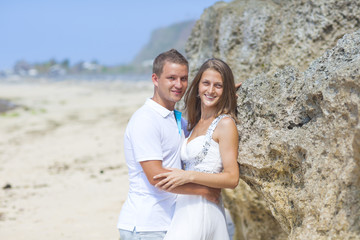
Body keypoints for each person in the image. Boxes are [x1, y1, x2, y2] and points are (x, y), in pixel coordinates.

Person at [117, 49, 221, 240]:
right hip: (145, 226)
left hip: (170, 223)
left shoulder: (177, 119)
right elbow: (156, 178)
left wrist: (226, 96)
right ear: (155, 79)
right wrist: (204, 192)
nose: (178, 85)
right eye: (171, 78)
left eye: (183, 78)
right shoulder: (146, 120)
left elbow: (203, 135)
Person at [153, 58, 240, 240]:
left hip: (204, 209)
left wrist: (188, 176)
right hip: (184, 208)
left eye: (218, 86)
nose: (210, 90)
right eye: (206, 83)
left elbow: (232, 178)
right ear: (198, 86)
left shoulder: (225, 124)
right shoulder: (194, 123)